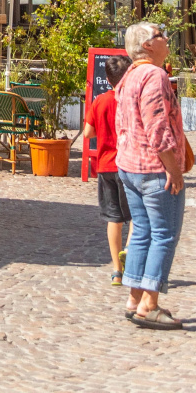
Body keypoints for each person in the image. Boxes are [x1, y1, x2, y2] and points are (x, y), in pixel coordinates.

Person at [116, 22, 187, 327]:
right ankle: (149, 304)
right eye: (160, 35)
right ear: (146, 45)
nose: (166, 38)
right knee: (163, 234)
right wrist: (174, 169)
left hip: (130, 164)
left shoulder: (129, 75)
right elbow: (156, 126)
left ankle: (134, 298)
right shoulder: (155, 76)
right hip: (154, 168)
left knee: (142, 233)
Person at [78, 54, 130, 284]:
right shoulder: (131, 101)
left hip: (106, 165)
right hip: (129, 165)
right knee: (137, 217)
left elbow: (88, 133)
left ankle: (117, 271)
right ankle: (130, 253)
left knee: (113, 218)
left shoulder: (100, 101)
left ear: (107, 79)